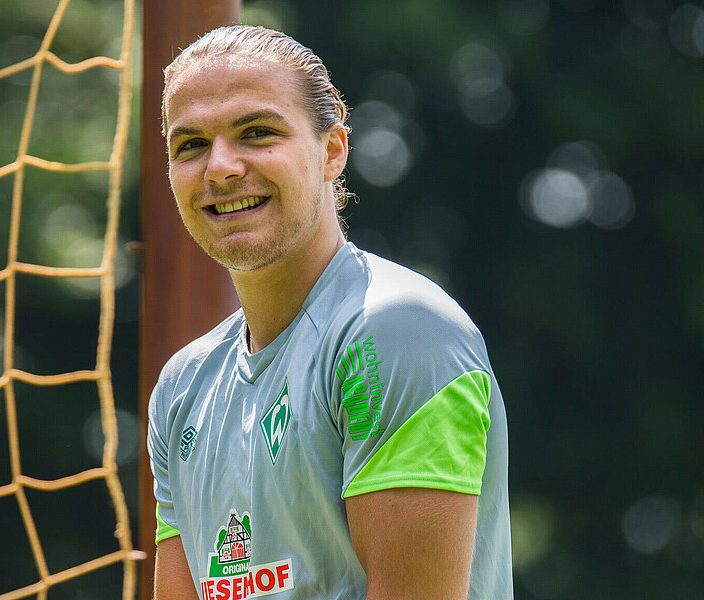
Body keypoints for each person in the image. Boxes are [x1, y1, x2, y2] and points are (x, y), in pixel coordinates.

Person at [147, 25, 512, 600]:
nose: (220, 167)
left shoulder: (396, 331)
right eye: (189, 145)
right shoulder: (181, 388)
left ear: (333, 150)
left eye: (257, 132)